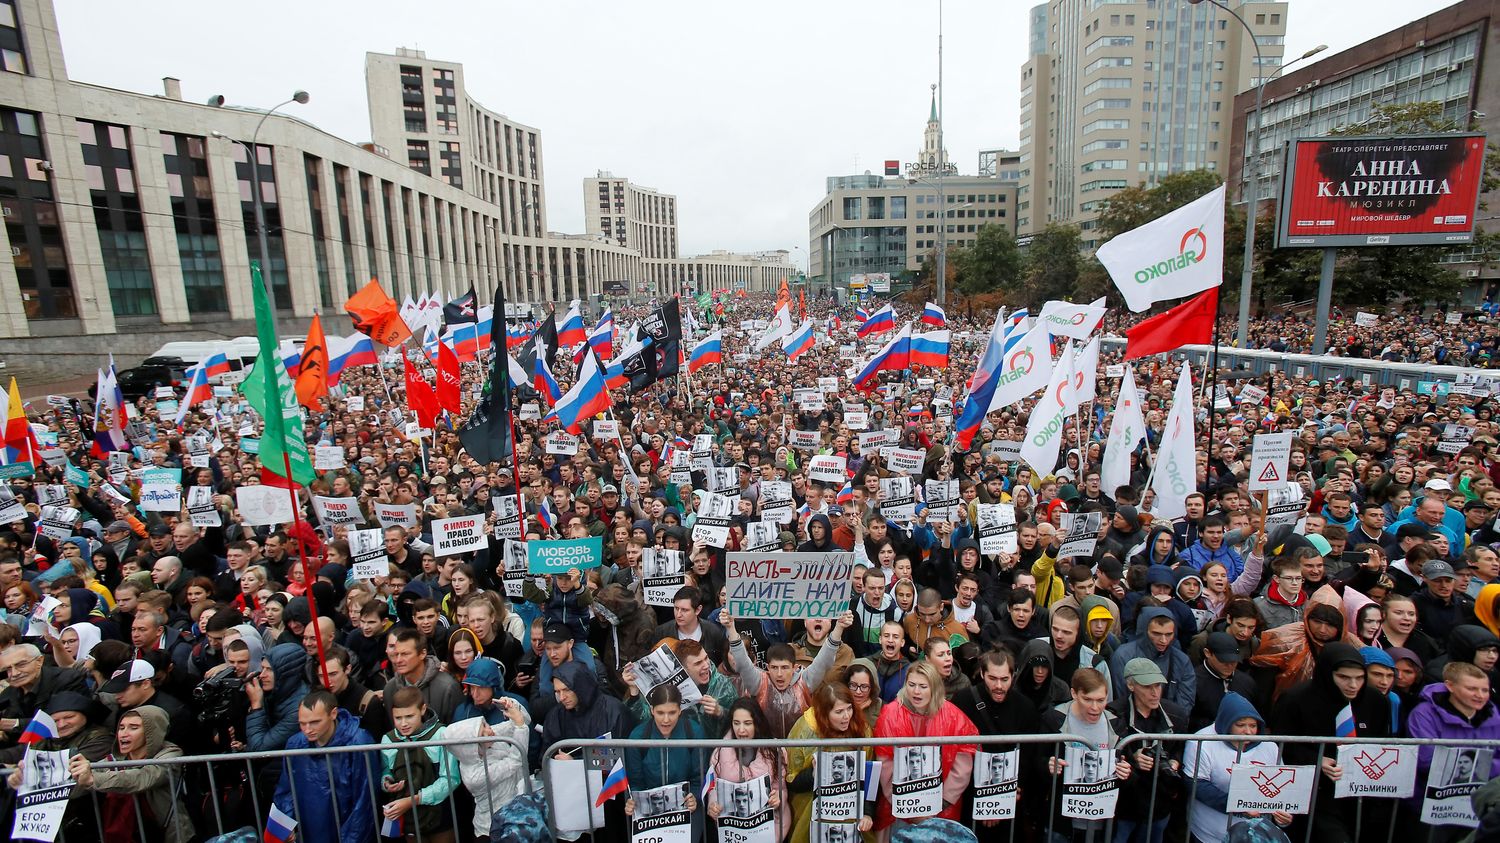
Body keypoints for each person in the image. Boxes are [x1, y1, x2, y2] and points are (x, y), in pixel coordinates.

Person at [1271, 643, 1394, 843]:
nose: (1353, 685)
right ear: (1328, 674)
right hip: (1315, 794)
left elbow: (1381, 742)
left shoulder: (1375, 701)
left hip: (1360, 794)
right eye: (1344, 677)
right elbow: (1280, 745)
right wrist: (1316, 759)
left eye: (1360, 678)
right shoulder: (1296, 700)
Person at [873, 660, 979, 832]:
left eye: (923, 686)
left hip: (942, 809)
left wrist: (943, 801)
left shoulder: (952, 714)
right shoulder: (890, 714)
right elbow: (885, 764)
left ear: (934, 687)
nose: (916, 691)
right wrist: (905, 804)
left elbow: (962, 764)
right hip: (898, 810)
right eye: (911, 684)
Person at [67, 705, 194, 843]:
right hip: (129, 834)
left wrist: (92, 779)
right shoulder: (114, 759)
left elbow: (143, 777)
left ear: (152, 732)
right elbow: (84, 778)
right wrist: (79, 773)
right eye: (121, 728)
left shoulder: (171, 754)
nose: (123, 733)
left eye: (133, 728)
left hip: (169, 834)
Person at [952, 648, 1039, 843]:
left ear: (1013, 676)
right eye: (992, 678)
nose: (998, 685)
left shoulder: (1025, 707)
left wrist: (1004, 796)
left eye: (1004, 679)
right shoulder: (963, 701)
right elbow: (956, 754)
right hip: (969, 797)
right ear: (982, 674)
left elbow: (1027, 757)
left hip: (1010, 799)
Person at [271, 690, 377, 843]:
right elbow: (286, 790)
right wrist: (284, 827)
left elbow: (364, 800)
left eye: (315, 722)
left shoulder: (359, 742)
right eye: (302, 723)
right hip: (310, 829)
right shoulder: (295, 743)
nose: (307, 729)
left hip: (345, 827)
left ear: (333, 714)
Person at [1182, 693, 1290, 843]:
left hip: (1254, 836)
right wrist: (1238, 806)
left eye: (1253, 726)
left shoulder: (1270, 747)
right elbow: (1197, 785)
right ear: (1227, 723)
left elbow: (1283, 788)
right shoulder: (1201, 742)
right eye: (1240, 725)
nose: (1248, 731)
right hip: (1209, 833)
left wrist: (1283, 815)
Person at [1041, 668, 1133, 843]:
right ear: (1074, 694)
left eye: (1101, 700)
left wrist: (1126, 772)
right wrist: (1048, 766)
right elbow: (1037, 762)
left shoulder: (1116, 724)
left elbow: (1130, 772)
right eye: (1088, 699)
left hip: (1102, 822)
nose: (1095, 707)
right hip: (1062, 822)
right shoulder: (1054, 719)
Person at [785, 681, 875, 843]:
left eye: (849, 708)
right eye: (839, 712)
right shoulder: (805, 731)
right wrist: (813, 775)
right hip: (810, 815)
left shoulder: (862, 729)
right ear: (824, 713)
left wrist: (867, 812)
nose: (846, 716)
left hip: (850, 817)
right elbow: (792, 781)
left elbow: (868, 776)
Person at [1110, 658, 1187, 843]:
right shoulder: (1114, 713)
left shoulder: (1176, 714)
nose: (1154, 693)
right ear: (1130, 685)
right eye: (1147, 687)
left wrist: (1175, 761)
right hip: (1125, 802)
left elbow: (1181, 748)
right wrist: (1132, 758)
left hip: (1159, 799)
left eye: (1158, 686)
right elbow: (1108, 752)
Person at [379, 685, 462, 843]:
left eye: (409, 716)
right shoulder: (388, 739)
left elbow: (451, 779)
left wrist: (414, 800)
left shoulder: (441, 734)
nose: (403, 723)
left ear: (423, 709)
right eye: (398, 718)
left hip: (440, 816)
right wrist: (387, 782)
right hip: (409, 818)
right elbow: (385, 770)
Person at [624, 684, 707, 842]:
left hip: (686, 807)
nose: (666, 720)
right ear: (652, 710)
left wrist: (694, 797)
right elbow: (635, 782)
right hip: (650, 808)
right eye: (660, 713)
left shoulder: (694, 732)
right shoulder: (638, 736)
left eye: (672, 713)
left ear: (680, 711)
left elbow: (700, 777)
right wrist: (631, 801)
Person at [706, 699, 790, 840]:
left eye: (747, 723)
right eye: (736, 723)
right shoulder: (719, 753)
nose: (741, 730)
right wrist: (712, 803)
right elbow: (713, 786)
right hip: (733, 831)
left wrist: (778, 798)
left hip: (770, 827)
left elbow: (781, 788)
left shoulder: (775, 750)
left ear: (757, 724)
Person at [1109, 607, 1194, 710]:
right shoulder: (1123, 656)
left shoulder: (1182, 660)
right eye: (1156, 634)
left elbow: (1185, 703)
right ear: (1144, 631)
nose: (1163, 640)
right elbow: (1120, 697)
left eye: (1168, 634)